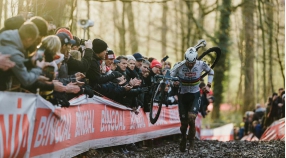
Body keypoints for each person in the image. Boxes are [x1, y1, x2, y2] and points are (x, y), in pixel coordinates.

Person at [170, 46, 214, 152]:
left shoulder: (201, 64)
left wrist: (208, 85)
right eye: (188, 62)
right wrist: (173, 82)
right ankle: (184, 138)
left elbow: (211, 72)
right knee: (184, 124)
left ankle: (192, 144)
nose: (190, 65)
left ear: (196, 59)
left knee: (192, 118)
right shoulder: (179, 65)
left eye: (192, 63)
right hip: (182, 96)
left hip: (195, 95)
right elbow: (170, 76)